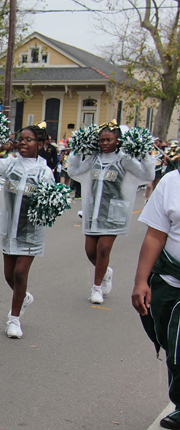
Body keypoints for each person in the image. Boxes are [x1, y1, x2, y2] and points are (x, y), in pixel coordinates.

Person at [67, 121, 155, 304]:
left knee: (104, 249)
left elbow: (147, 176)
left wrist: (144, 153)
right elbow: (74, 171)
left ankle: (96, 288)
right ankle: (106, 272)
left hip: (113, 212)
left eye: (109, 140)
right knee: (90, 251)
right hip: (93, 212)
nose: (104, 143)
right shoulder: (93, 158)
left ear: (118, 140)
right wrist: (77, 150)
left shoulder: (125, 159)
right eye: (101, 140)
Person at [0, 125, 54, 338]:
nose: (23, 143)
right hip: (9, 228)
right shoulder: (10, 164)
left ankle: (14, 319)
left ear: (40, 144)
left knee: (21, 273)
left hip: (30, 231)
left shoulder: (44, 172)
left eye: (28, 140)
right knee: (9, 275)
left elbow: (49, 202)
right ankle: (23, 297)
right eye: (21, 139)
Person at [132, 168, 180, 430]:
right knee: (173, 345)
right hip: (171, 281)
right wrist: (141, 281)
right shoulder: (172, 182)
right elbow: (155, 235)